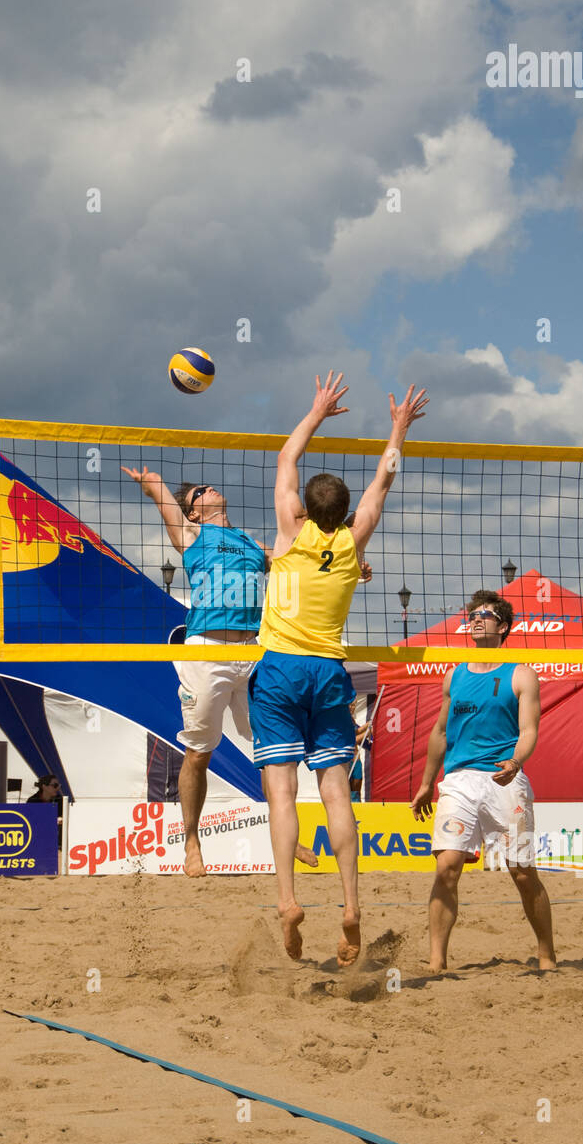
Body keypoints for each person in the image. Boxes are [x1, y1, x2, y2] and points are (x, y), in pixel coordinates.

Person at [250, 371, 427, 965]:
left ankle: (286, 900)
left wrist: (317, 411)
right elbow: (386, 476)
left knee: (281, 792)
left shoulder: (287, 535)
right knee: (334, 793)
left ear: (303, 510)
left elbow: (285, 456)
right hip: (329, 671)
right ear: (347, 514)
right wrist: (398, 426)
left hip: (279, 670)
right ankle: (351, 904)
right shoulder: (356, 544)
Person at [121, 467, 318, 878]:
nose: (210, 488)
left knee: (274, 752)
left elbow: (299, 560)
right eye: (199, 491)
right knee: (199, 753)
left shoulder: (248, 540)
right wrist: (152, 482)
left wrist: (351, 565)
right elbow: (166, 508)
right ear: (193, 513)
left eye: (207, 486)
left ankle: (284, 831)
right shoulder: (194, 536)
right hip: (207, 652)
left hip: (254, 650)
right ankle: (191, 840)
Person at [410, 591, 557, 973]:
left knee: (522, 873)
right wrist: (427, 782)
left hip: (504, 780)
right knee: (447, 868)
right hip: (458, 781)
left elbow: (529, 730)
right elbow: (440, 732)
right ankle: (436, 962)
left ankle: (546, 954)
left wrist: (515, 760)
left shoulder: (520, 673)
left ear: (503, 626)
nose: (475, 619)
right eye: (472, 614)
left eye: (485, 614)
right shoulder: (454, 673)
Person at [26, 773, 63, 846]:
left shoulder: (60, 800)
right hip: (36, 839)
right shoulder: (32, 800)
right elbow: (29, 821)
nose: (58, 788)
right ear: (44, 787)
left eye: (59, 785)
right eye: (55, 785)